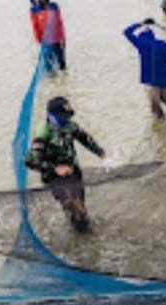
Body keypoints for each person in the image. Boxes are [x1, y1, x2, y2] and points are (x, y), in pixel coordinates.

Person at [23, 96, 106, 233]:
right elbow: (30, 161)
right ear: (51, 116)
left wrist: (101, 153)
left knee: (80, 206)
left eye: (67, 116)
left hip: (74, 174)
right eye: (62, 117)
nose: (66, 119)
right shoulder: (44, 133)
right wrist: (55, 169)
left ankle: (80, 235)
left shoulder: (70, 126)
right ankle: (83, 237)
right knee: (77, 212)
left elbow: (85, 139)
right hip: (56, 179)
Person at [123, 18, 166, 121]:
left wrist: (139, 23)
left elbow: (126, 32)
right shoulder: (163, 44)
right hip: (165, 82)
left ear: (142, 36)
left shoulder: (141, 44)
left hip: (151, 84)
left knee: (157, 116)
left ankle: (162, 134)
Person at [29, 0, 67, 74]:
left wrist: (39, 40)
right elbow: (59, 23)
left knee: (52, 65)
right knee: (58, 63)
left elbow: (36, 27)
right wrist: (63, 37)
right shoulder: (53, 6)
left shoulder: (36, 10)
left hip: (50, 40)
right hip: (53, 39)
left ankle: (54, 82)